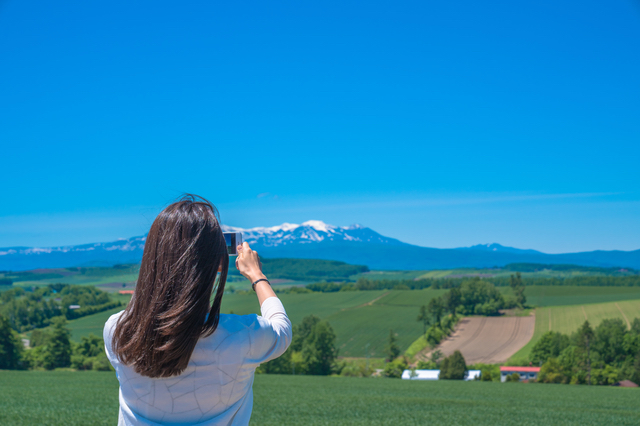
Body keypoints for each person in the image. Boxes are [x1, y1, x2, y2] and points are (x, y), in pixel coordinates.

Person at [103, 195, 292, 425]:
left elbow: (149, 306)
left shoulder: (117, 331)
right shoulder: (243, 336)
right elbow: (281, 328)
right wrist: (257, 275)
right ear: (219, 263)